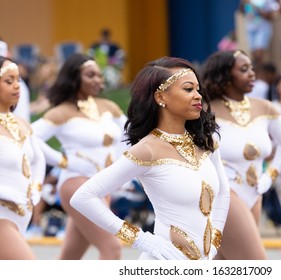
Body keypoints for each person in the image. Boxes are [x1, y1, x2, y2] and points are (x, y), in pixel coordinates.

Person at [70, 56, 230, 260]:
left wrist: (216, 237)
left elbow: (224, 191)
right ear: (160, 97)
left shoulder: (205, 141)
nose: (198, 96)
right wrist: (142, 240)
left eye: (198, 89)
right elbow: (83, 197)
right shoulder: (147, 149)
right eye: (189, 89)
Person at [31, 53, 128, 260]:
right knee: (112, 248)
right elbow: (28, 137)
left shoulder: (108, 106)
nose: (97, 80)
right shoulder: (61, 112)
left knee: (70, 257)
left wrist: (119, 166)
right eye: (90, 75)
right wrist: (62, 161)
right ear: (74, 77)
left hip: (103, 185)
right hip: (76, 184)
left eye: (99, 75)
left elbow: (131, 135)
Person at [201, 50, 281, 259]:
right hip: (223, 193)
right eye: (244, 70)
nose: (252, 73)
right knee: (255, 263)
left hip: (254, 194)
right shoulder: (204, 112)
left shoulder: (265, 108)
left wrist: (271, 175)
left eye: (252, 68)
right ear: (225, 75)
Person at [0, 56, 46, 259]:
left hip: (21, 217)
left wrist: (35, 188)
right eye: (9, 81)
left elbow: (38, 160)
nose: (17, 86)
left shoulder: (22, 124)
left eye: (19, 80)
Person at [239, 0, 279, 67]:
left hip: (263, 28)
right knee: (253, 55)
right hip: (250, 28)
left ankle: (260, 74)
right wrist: (243, 3)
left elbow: (271, 15)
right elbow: (242, 11)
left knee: (259, 54)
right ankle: (256, 74)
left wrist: (254, 6)